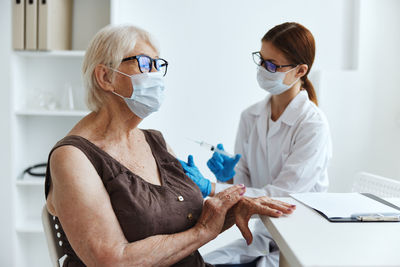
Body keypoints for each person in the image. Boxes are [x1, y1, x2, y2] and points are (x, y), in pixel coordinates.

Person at [44, 24, 296, 267]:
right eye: (144, 63)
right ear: (105, 76)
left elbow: (186, 222)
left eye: (157, 64)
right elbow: (111, 260)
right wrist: (204, 231)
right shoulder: (73, 157)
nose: (154, 74)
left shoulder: (155, 141)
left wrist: (236, 207)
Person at [179, 22, 332, 266]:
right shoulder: (250, 116)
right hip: (262, 237)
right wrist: (229, 178)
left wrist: (211, 187)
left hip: (301, 241)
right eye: (261, 60)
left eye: (272, 65)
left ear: (300, 71)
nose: (263, 69)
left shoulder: (312, 125)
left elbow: (282, 198)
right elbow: (247, 187)